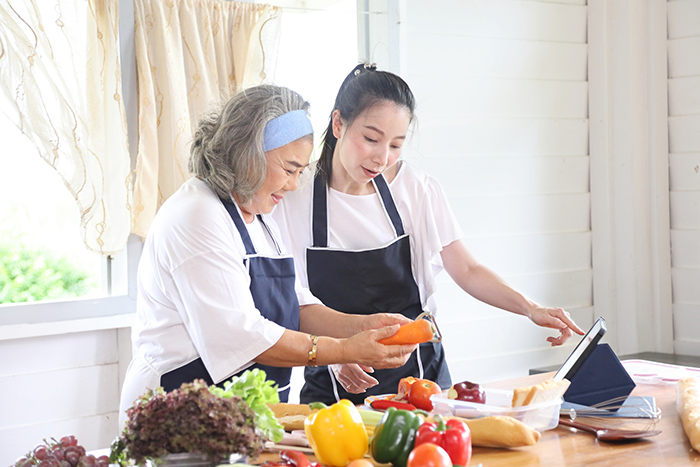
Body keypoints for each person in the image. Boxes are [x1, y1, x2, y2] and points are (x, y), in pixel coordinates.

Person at [273, 64, 585, 405]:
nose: (382, 157)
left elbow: (466, 269)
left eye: (396, 145)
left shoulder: (416, 190)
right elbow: (295, 304)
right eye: (371, 139)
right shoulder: (291, 200)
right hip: (337, 384)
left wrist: (530, 308)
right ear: (338, 124)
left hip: (421, 380)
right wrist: (339, 351)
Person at [118, 85, 416, 426]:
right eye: (289, 170)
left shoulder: (261, 218)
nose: (293, 186)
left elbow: (297, 305)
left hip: (237, 415)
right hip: (175, 412)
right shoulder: (197, 216)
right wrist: (344, 351)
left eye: (300, 172)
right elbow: (242, 334)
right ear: (248, 155)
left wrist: (362, 327)